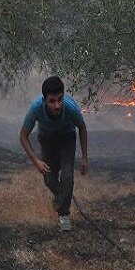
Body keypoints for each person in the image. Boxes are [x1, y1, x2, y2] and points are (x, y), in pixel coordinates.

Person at [19, 76, 88, 231]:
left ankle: (64, 215)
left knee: (67, 177)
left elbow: (82, 128)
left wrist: (84, 157)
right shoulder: (36, 108)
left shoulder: (70, 108)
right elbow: (23, 136)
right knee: (49, 178)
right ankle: (62, 197)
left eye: (60, 99)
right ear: (44, 100)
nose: (57, 105)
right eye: (52, 101)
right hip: (47, 138)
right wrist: (36, 161)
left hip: (67, 138)